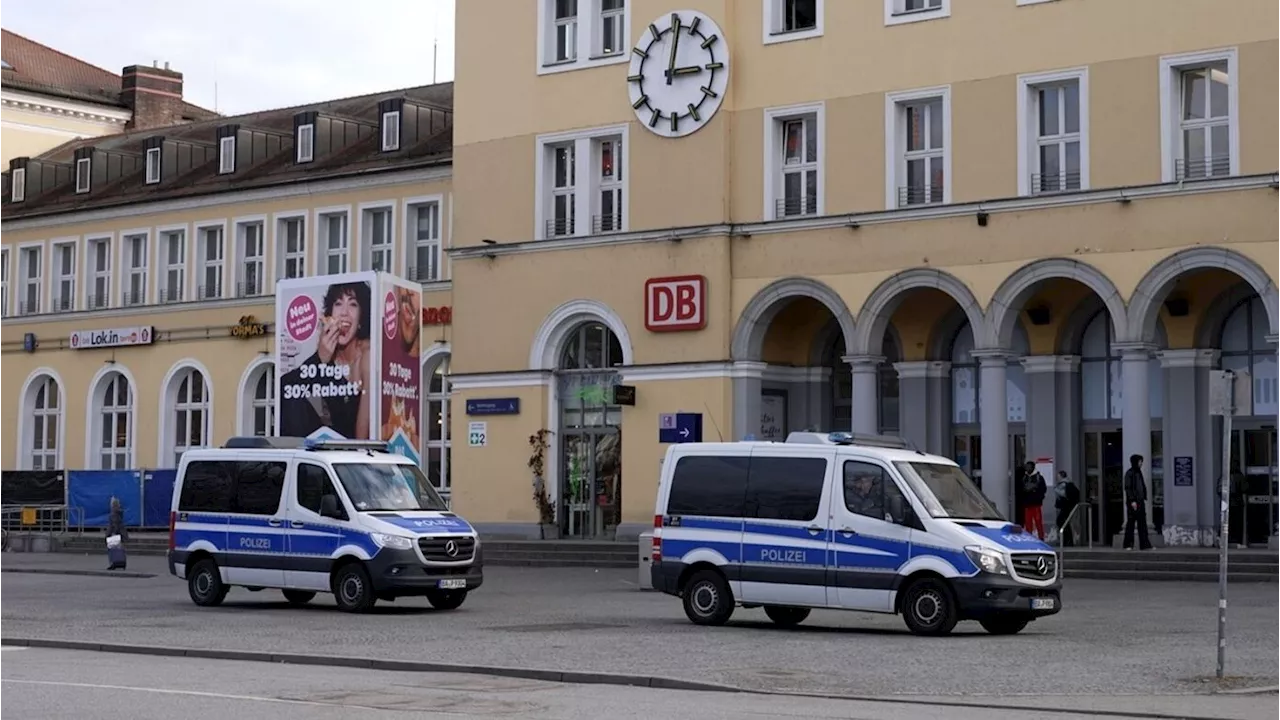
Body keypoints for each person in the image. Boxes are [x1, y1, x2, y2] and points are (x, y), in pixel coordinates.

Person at [279, 282, 372, 439]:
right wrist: (319, 359)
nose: (344, 312)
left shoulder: (367, 356)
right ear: (329, 315)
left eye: (353, 304)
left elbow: (362, 437)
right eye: (338, 303)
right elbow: (286, 389)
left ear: (361, 317)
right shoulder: (325, 355)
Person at [1123, 454, 1153, 551]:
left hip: (1140, 501)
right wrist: (1132, 501)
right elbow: (1128, 488)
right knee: (1131, 523)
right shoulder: (1130, 473)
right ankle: (1128, 544)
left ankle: (1145, 544)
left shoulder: (1138, 473)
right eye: (1140, 461)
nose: (1141, 463)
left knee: (1142, 523)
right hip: (1133, 502)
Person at [1020, 462, 1047, 540]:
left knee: (1038, 522)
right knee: (1028, 523)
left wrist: (1038, 497)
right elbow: (1021, 490)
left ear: (1033, 468)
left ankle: (1041, 537)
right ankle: (1029, 538)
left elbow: (1043, 489)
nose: (1027, 468)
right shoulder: (1024, 477)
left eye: (1029, 467)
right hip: (1027, 504)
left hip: (1036, 504)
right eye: (1026, 467)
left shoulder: (1039, 477)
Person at [1054, 470, 1081, 546]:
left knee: (1062, 522)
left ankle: (1067, 540)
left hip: (1066, 507)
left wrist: (1056, 489)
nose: (1057, 478)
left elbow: (1064, 494)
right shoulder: (1069, 484)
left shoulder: (1064, 484)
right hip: (1068, 506)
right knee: (1064, 523)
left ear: (1061, 476)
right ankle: (1067, 540)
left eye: (1058, 476)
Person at [105, 497, 128, 571]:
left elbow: (114, 525)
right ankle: (122, 563)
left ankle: (114, 563)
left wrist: (112, 533)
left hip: (114, 533)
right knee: (119, 549)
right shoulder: (119, 513)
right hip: (121, 533)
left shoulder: (113, 514)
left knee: (113, 550)